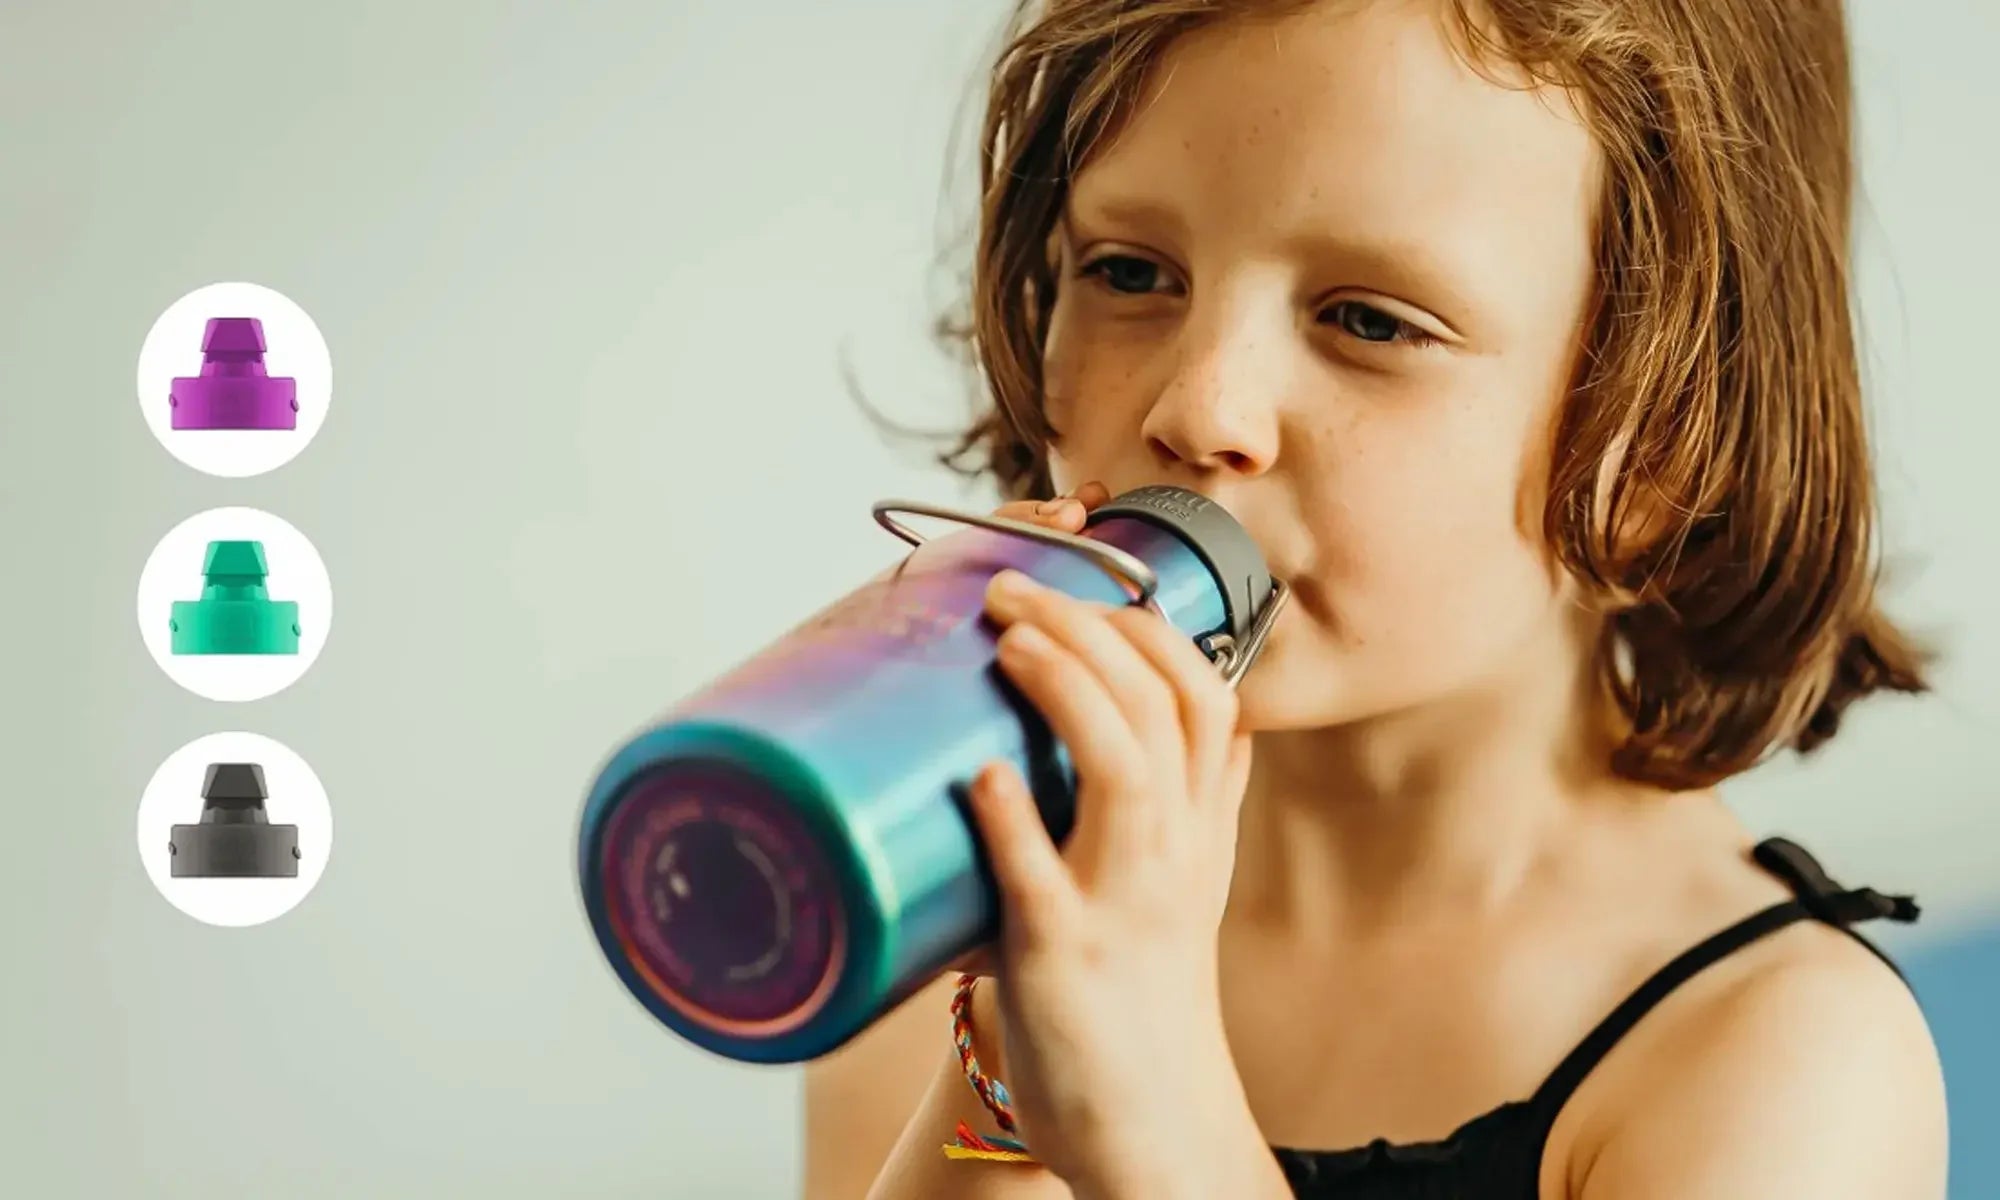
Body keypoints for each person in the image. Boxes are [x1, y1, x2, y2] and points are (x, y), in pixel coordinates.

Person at [809, 0, 1950, 1196]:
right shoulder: (933, 928)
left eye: (1367, 320)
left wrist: (1150, 1115)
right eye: (1129, 271)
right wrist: (1001, 1066)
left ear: (1659, 454)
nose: (1196, 410)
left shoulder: (1782, 1065)